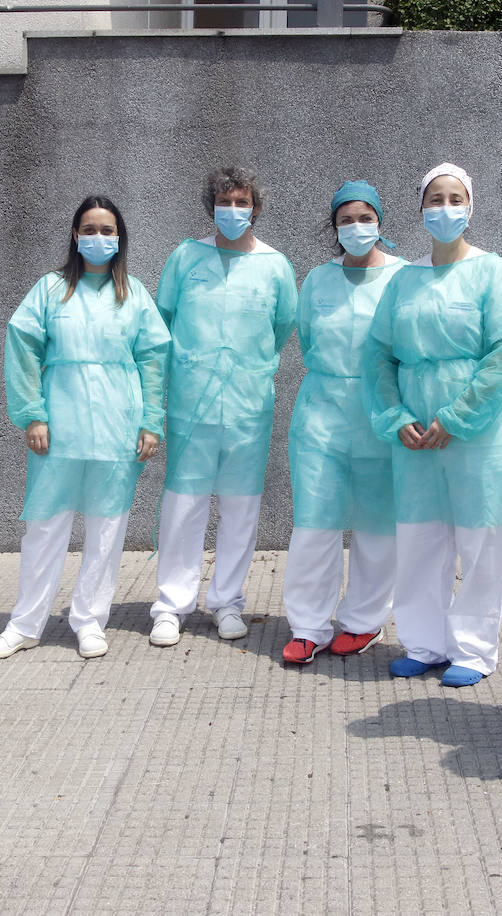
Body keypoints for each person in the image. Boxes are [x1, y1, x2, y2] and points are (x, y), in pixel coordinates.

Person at [0, 196, 170, 661]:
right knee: (45, 527)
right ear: (74, 235)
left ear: (120, 237)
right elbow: (23, 346)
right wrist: (33, 413)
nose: (99, 239)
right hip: (59, 426)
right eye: (90, 229)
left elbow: (154, 358)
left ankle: (89, 620)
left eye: (108, 230)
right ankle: (26, 623)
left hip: (117, 425)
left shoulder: (134, 294)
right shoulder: (49, 290)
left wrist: (151, 421)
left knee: (106, 529)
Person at [364, 163, 502, 687]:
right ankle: (424, 642)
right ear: (420, 210)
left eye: (455, 198)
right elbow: (379, 355)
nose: (445, 209)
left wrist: (458, 417)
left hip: (477, 436)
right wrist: (397, 417)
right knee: (419, 541)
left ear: (471, 206)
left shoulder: (492, 271)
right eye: (434, 199)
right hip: (415, 433)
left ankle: (475, 651)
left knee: (480, 546)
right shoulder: (403, 280)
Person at [147, 167, 297, 647]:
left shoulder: (276, 266)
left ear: (256, 207)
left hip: (248, 408)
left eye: (242, 202)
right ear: (210, 206)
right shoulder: (186, 257)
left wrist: (249, 369)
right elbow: (161, 321)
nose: (233, 211)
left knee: (241, 508)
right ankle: (171, 604)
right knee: (183, 507)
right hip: (190, 406)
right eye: (224, 202)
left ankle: (228, 602)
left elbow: (282, 326)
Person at [280, 180, 405, 664]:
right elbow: (308, 340)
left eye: (365, 217)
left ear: (380, 221)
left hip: (380, 411)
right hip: (322, 414)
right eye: (346, 219)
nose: (357, 227)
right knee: (315, 522)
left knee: (377, 525)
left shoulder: (402, 276)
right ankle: (308, 625)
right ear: (334, 226)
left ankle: (363, 621)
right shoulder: (317, 279)